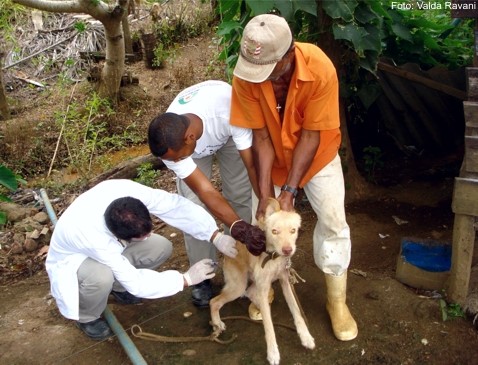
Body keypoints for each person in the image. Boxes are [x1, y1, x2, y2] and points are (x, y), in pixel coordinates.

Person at [229, 14, 358, 341]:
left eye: (267, 71)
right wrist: (264, 196)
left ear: (287, 56)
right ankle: (264, 288)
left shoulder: (319, 68)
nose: (259, 78)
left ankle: (336, 300)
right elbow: (261, 138)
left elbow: (312, 137)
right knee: (261, 224)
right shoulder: (246, 75)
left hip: (317, 156)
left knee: (332, 221)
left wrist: (290, 190)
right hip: (272, 158)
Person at [46, 179, 239, 340]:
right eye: (142, 236)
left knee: (160, 247)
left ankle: (119, 289)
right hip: (77, 259)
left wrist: (214, 235)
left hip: (109, 246)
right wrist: (185, 279)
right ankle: (87, 317)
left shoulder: (126, 192)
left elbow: (173, 206)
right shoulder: (94, 238)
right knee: (101, 276)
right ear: (121, 235)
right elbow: (136, 282)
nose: (148, 236)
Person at [148, 80, 266, 307]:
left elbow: (251, 166)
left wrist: (261, 204)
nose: (174, 163)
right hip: (195, 143)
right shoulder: (170, 146)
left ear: (190, 138)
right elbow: (204, 190)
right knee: (192, 208)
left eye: (176, 158)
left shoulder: (229, 110)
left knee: (240, 195)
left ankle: (239, 266)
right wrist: (237, 226)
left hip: (229, 135)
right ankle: (202, 274)